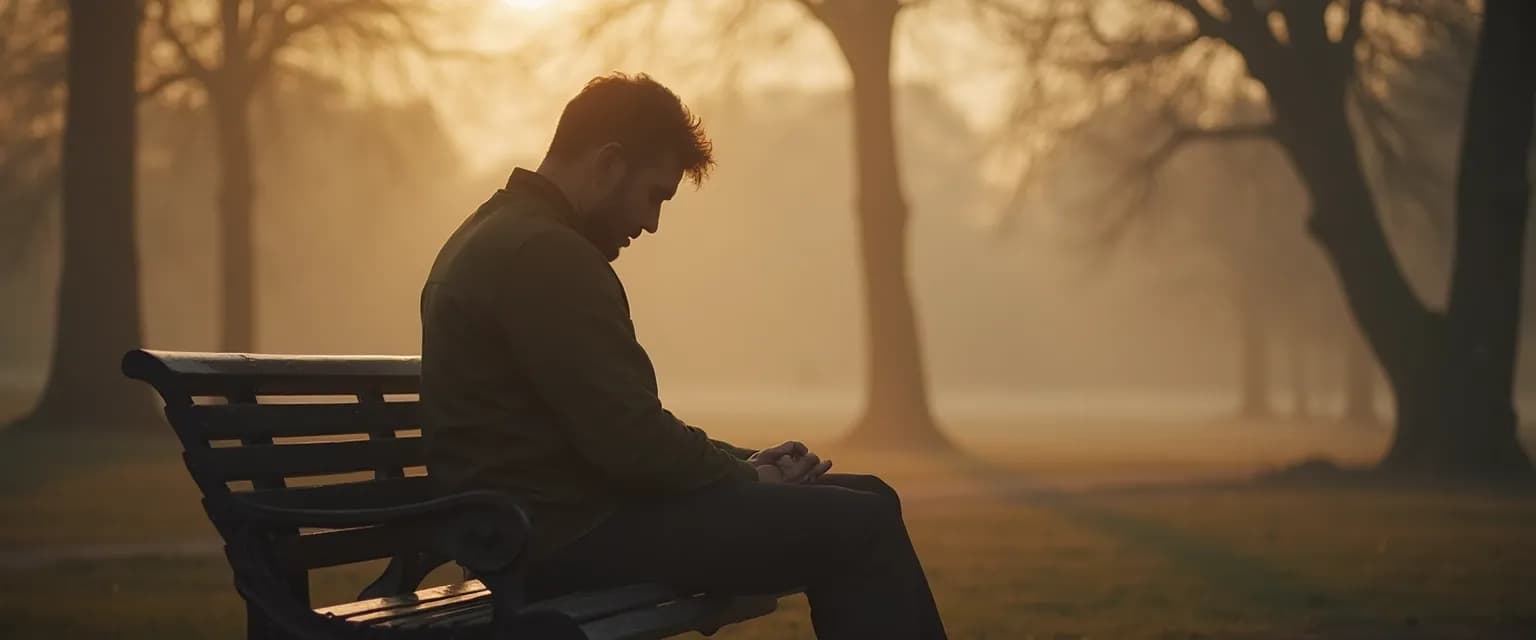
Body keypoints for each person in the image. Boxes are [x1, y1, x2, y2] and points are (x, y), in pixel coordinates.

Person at [420, 72, 946, 639]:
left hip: (549, 523)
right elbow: (631, 444)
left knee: (868, 497)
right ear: (609, 164)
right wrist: (746, 478)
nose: (651, 222)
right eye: (655, 195)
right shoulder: (545, 254)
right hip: (563, 539)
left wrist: (744, 463)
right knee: (859, 523)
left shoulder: (497, 233)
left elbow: (617, 428)